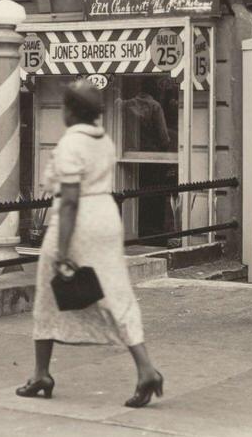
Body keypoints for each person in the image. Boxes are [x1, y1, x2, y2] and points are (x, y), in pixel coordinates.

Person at [19, 78, 164, 408]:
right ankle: (145, 367)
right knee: (115, 293)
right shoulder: (104, 140)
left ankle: (41, 372)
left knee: (47, 292)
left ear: (70, 111)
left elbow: (69, 200)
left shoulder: (71, 144)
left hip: (78, 220)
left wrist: (61, 249)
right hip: (106, 217)